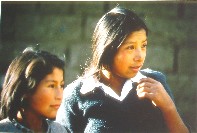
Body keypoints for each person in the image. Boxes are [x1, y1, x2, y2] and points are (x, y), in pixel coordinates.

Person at [56, 7, 190, 133]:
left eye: (143, 46)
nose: (140, 56)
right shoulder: (76, 95)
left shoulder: (155, 83)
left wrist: (168, 107)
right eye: (130, 47)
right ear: (108, 49)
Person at [0, 47, 68, 132]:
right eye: (51, 86)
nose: (60, 96)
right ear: (25, 88)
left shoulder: (59, 130)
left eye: (61, 85)